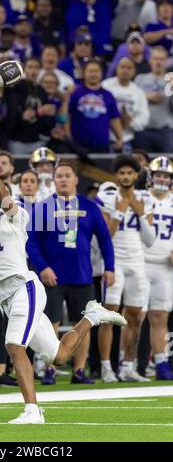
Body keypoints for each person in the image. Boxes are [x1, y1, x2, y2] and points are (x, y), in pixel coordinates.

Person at [0, 129, 126, 424]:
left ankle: (32, 411)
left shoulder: (17, 219)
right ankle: (92, 315)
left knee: (14, 346)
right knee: (59, 356)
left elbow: (2, 195)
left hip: (24, 287)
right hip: (6, 296)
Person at [26, 162, 116, 384]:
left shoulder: (90, 207)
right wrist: (43, 267)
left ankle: (79, 370)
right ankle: (50, 369)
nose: (63, 179)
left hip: (82, 276)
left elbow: (105, 239)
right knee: (51, 325)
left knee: (82, 324)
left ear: (76, 180)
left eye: (68, 176)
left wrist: (110, 268)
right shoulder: (42, 207)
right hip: (52, 277)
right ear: (53, 180)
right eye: (59, 176)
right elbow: (31, 244)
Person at [97, 154, 156, 383]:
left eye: (129, 173)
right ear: (116, 175)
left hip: (137, 261)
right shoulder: (107, 197)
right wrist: (120, 211)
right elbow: (105, 236)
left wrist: (140, 213)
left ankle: (127, 366)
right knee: (110, 314)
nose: (125, 176)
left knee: (135, 316)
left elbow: (150, 240)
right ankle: (105, 367)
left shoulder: (144, 199)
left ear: (136, 174)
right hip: (114, 262)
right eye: (121, 173)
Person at [144, 156, 173, 380]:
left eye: (166, 175)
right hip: (141, 263)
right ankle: (128, 361)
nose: (162, 179)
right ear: (151, 177)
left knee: (160, 316)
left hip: (165, 266)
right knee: (134, 315)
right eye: (159, 175)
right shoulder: (141, 199)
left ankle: (161, 363)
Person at [102, 57, 150, 152]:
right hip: (105, 136)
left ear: (134, 72)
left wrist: (131, 123)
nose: (125, 70)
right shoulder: (105, 86)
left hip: (126, 139)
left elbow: (144, 117)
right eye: (122, 67)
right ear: (117, 69)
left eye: (129, 68)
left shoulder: (138, 92)